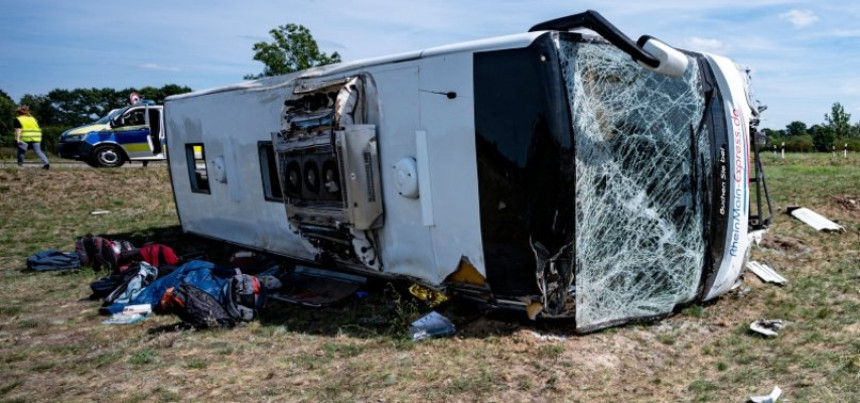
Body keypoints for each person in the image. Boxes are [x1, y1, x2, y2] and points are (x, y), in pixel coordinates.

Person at [14, 105, 50, 169]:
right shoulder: (33, 119)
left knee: (21, 151)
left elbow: (18, 129)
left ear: (19, 113)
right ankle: (46, 163)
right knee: (38, 151)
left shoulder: (18, 119)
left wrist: (17, 139)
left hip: (25, 137)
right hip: (36, 137)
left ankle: (20, 165)